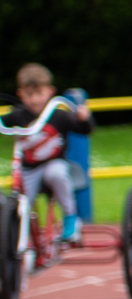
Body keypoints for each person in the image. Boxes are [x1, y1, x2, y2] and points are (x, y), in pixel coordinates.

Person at [7, 64, 92, 247]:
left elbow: (84, 129)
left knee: (56, 173)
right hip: (29, 169)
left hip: (53, 164)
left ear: (50, 92)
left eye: (39, 93)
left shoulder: (58, 115)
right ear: (21, 94)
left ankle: (70, 219)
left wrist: (84, 119)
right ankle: (17, 234)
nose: (34, 99)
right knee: (20, 199)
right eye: (29, 95)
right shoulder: (18, 116)